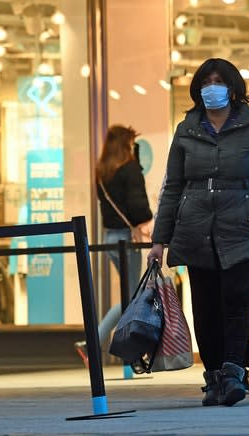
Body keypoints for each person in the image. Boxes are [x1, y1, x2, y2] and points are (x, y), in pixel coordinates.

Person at [148, 58, 249, 407]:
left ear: (233, 88)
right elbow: (172, 188)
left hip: (242, 227)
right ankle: (212, 375)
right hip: (196, 229)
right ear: (198, 89)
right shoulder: (186, 130)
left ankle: (233, 373)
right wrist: (159, 240)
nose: (212, 87)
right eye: (206, 81)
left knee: (237, 301)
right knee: (205, 307)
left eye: (219, 80)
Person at [75, 125, 153, 365]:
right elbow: (137, 204)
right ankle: (94, 342)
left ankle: (129, 352)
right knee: (132, 296)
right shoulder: (129, 169)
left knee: (130, 294)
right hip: (126, 240)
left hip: (110, 238)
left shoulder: (102, 172)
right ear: (126, 144)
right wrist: (146, 220)